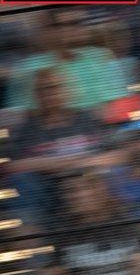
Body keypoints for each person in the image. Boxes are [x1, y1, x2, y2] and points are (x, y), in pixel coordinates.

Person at [3, 69, 113, 230]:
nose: (50, 93)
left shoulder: (88, 119)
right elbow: (13, 166)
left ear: (69, 90)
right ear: (36, 95)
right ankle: (34, 238)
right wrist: (56, 164)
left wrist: (83, 164)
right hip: (49, 188)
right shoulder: (28, 129)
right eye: (44, 89)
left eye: (56, 87)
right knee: (23, 181)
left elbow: (118, 154)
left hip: (92, 180)